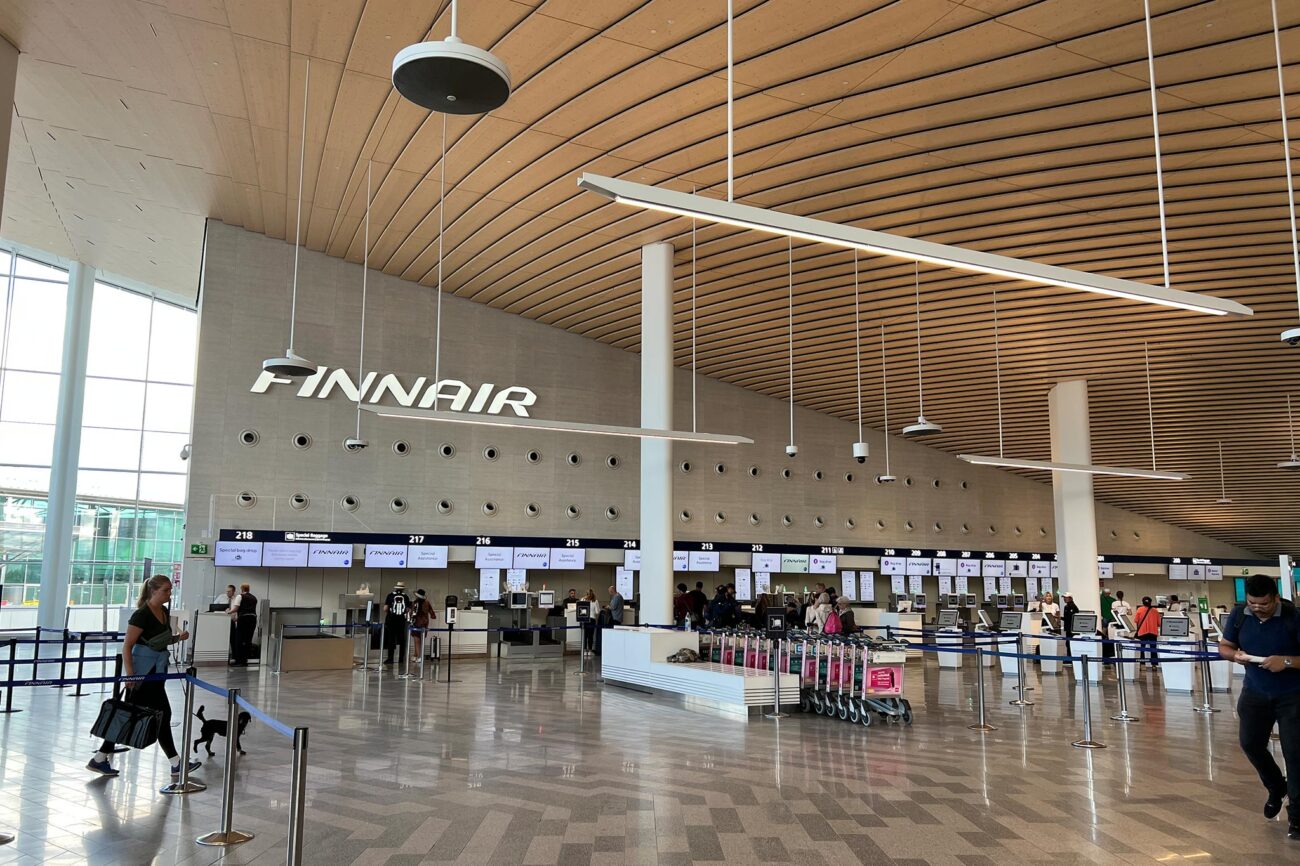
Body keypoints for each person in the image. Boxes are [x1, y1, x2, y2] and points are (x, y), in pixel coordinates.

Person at [86, 575, 201, 778]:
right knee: (161, 714)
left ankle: (99, 758)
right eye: (165, 590)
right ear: (153, 591)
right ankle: (176, 763)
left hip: (157, 671)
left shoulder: (164, 612)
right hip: (143, 673)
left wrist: (178, 638)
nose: (169, 593)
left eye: (170, 590)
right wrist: (131, 675)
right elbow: (127, 646)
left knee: (131, 714)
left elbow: (159, 642)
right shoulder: (141, 615)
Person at [1219, 574, 1300, 839]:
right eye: (1252, 603)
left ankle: (1297, 817)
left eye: (1263, 604)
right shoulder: (1239, 614)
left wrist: (1286, 662)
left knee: (1295, 754)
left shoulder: (1293, 616)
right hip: (1254, 692)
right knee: (1250, 743)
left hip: (1292, 696)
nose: (1257, 608)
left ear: (1275, 598)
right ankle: (1276, 786)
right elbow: (1225, 646)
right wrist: (1235, 656)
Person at [227, 582, 257, 666]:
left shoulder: (240, 596)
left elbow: (236, 609)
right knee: (247, 640)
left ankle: (239, 661)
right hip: (253, 619)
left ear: (242, 589)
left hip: (243, 619)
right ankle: (245, 660)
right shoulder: (254, 598)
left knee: (239, 640)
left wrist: (228, 612)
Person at [382, 581, 411, 666]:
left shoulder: (390, 595)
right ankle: (401, 658)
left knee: (391, 639)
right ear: (403, 589)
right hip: (401, 621)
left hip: (391, 620)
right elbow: (407, 610)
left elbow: (385, 608)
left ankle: (390, 658)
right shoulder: (406, 596)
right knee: (402, 639)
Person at [408, 589, 434, 671]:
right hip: (425, 622)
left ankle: (419, 656)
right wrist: (432, 615)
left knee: (416, 639)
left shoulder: (416, 603)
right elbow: (432, 612)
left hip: (417, 622)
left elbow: (413, 612)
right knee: (420, 639)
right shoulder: (427, 602)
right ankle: (415, 655)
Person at [1134, 596, 1161, 668]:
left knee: (1142, 648)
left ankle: (1141, 664)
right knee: (1153, 648)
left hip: (1142, 632)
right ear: (1150, 602)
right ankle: (1154, 665)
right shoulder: (1155, 610)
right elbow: (1159, 623)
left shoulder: (1139, 609)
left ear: (1143, 602)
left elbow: (1136, 620)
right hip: (1153, 632)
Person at [582, 589, 598, 654]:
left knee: (585, 635)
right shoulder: (595, 601)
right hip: (592, 619)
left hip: (584, 619)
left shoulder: (583, 599)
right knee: (590, 636)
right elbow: (597, 611)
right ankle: (590, 650)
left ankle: (585, 650)